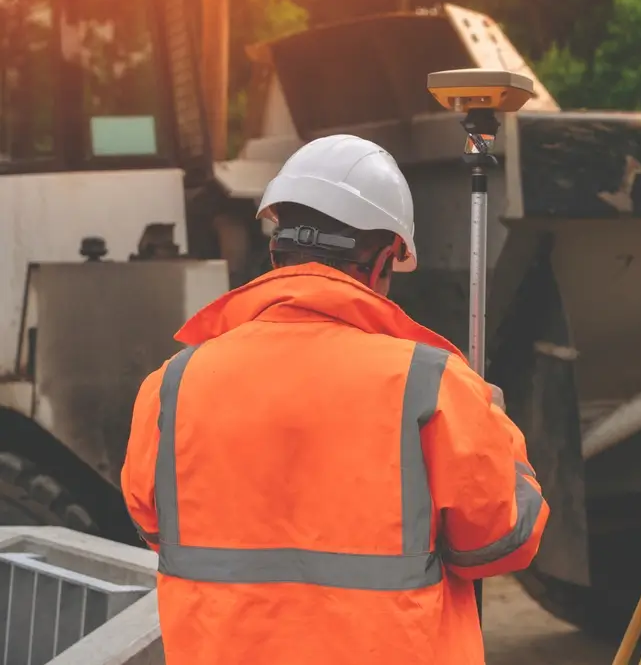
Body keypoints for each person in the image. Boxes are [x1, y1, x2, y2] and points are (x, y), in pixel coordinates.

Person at [120, 134, 549, 665]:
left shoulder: (173, 386)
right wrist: (496, 430)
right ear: (383, 260)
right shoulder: (431, 385)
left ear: (277, 248)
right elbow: (500, 537)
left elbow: (155, 527)